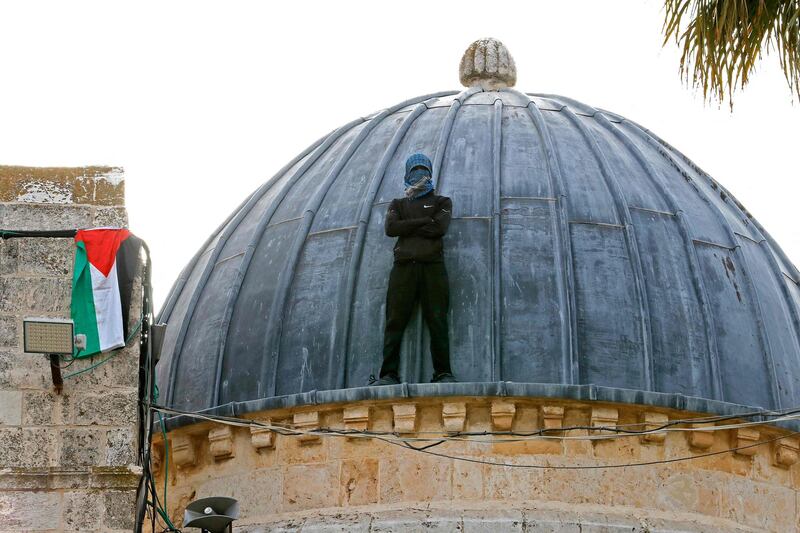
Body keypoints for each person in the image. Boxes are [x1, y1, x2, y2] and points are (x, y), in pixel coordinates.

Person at [371, 153, 457, 385]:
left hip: (432, 269)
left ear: (430, 172)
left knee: (437, 319)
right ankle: (388, 374)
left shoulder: (442, 202)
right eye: (414, 170)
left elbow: (439, 228)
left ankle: (443, 373)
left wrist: (406, 227)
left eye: (422, 170)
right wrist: (424, 222)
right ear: (407, 174)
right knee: (395, 321)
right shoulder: (398, 204)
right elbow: (391, 228)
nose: (418, 175)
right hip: (404, 269)